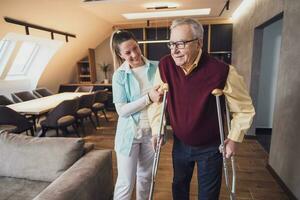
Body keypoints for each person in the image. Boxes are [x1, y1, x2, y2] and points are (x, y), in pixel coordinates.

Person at [148, 18, 255, 200]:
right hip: (180, 143)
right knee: (179, 188)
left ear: (199, 43)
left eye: (180, 44)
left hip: (211, 147)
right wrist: (156, 130)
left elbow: (244, 109)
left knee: (208, 195)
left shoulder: (222, 71)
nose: (174, 50)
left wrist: (235, 138)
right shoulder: (165, 66)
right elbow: (159, 102)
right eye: (171, 44)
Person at [110, 30, 162, 200]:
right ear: (120, 54)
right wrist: (148, 98)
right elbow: (122, 110)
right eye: (127, 52)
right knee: (125, 183)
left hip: (152, 133)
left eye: (135, 48)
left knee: (146, 179)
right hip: (128, 135)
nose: (134, 54)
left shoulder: (157, 67)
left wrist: (160, 130)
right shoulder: (119, 76)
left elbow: (164, 102)